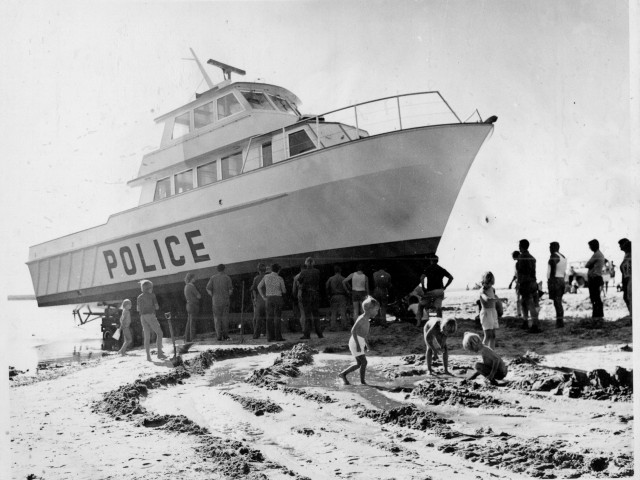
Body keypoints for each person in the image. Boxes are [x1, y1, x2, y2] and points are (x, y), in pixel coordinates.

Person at [339, 296, 379, 385]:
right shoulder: (362, 318)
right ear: (369, 309)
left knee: (359, 364)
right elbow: (353, 330)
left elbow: (364, 335)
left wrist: (367, 345)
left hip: (359, 342)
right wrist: (357, 344)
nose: (377, 312)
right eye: (376, 310)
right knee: (364, 362)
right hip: (355, 342)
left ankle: (343, 374)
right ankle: (363, 382)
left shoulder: (367, 319)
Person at [416, 254, 453, 326]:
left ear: (431, 261)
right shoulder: (441, 269)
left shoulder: (428, 268)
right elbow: (451, 278)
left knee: (421, 305)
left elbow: (422, 278)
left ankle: (418, 323)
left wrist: (423, 287)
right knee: (438, 307)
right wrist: (445, 286)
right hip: (440, 291)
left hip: (430, 291)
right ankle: (440, 323)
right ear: (437, 261)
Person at [516, 239, 541, 333]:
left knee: (529, 305)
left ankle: (534, 325)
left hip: (526, 284)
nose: (519, 247)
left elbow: (521, 271)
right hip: (533, 283)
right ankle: (526, 322)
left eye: (519, 245)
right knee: (526, 304)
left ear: (521, 246)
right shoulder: (532, 257)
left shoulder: (521, 257)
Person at [136, 280, 165, 361]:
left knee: (147, 336)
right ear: (149, 288)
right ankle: (159, 353)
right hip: (150, 315)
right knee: (159, 333)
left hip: (142, 317)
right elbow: (157, 307)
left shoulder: (139, 297)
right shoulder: (152, 295)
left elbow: (138, 309)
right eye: (151, 287)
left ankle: (148, 356)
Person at [258, 263, 287, 342]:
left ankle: (270, 337)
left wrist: (263, 297)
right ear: (279, 270)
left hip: (269, 298)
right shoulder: (280, 278)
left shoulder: (266, 276)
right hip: (278, 298)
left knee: (269, 318)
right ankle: (278, 337)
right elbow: (284, 291)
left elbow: (259, 287)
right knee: (277, 318)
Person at [297, 257, 323, 339]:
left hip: (307, 295)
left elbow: (299, 281)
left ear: (306, 263)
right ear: (313, 263)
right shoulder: (317, 271)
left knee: (307, 315)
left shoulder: (303, 272)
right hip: (315, 294)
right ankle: (319, 334)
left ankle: (307, 334)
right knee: (316, 315)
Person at [206, 264, 233, 341]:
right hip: (225, 301)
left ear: (217, 269)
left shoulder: (213, 278)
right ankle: (225, 335)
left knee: (217, 319)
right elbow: (230, 290)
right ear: (224, 269)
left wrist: (212, 295)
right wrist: (227, 295)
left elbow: (208, 288)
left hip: (215, 301)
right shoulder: (227, 278)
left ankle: (218, 336)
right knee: (225, 318)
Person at [547, 242, 567, 328]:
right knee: (559, 301)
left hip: (555, 280)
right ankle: (560, 321)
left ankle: (559, 322)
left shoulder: (554, 256)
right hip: (562, 279)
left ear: (553, 247)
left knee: (557, 302)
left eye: (550, 247)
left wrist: (550, 282)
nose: (549, 249)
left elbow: (553, 270)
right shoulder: (563, 256)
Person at [584, 239, 605, 319]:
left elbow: (587, 265)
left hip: (594, 278)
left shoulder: (596, 254)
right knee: (596, 297)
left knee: (595, 297)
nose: (590, 248)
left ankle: (597, 315)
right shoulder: (600, 254)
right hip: (597, 277)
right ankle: (598, 315)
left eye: (590, 246)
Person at [325, 265, 349, 331]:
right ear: (340, 270)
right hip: (342, 296)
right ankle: (344, 326)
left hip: (333, 296)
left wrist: (328, 295)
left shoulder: (330, 279)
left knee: (333, 312)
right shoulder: (343, 278)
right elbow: (348, 287)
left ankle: (333, 327)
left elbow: (327, 287)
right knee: (343, 312)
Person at [479, 272, 499, 349]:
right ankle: (484, 353)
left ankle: (492, 353)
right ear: (483, 282)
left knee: (493, 335)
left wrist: (497, 298)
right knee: (488, 335)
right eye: (487, 283)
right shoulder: (482, 290)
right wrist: (498, 299)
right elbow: (487, 299)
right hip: (486, 313)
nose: (489, 285)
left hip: (493, 312)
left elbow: (494, 296)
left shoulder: (492, 289)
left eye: (490, 283)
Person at [250, 263, 267, 339]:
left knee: (257, 318)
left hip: (260, 299)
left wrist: (255, 299)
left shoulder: (256, 278)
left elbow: (253, 289)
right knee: (268, 317)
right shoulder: (268, 277)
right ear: (265, 270)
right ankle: (265, 332)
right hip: (268, 298)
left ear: (258, 270)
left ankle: (256, 334)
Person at [183, 272, 201, 343]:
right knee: (193, 322)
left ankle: (187, 338)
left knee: (189, 322)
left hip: (188, 305)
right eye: (194, 277)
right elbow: (199, 296)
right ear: (191, 278)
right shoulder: (191, 286)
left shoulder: (186, 286)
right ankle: (192, 338)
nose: (195, 279)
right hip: (193, 305)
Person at [619, 238, 632, 316]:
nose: (620, 247)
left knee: (629, 298)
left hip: (628, 279)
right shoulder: (627, 255)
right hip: (626, 278)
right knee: (627, 297)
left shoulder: (630, 255)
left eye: (620, 245)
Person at [508, 250, 522, 317]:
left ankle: (519, 313)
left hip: (519, 283)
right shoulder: (521, 263)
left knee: (518, 299)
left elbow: (517, 275)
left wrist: (512, 283)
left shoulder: (517, 264)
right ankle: (520, 313)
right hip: (521, 282)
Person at [292, 264, 306, 331]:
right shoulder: (310, 274)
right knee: (310, 312)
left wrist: (295, 296)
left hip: (300, 293)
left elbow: (294, 290)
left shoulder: (296, 277)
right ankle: (311, 328)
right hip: (310, 293)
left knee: (302, 313)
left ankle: (304, 329)